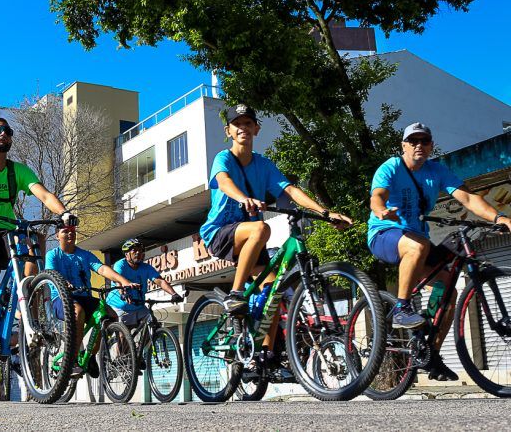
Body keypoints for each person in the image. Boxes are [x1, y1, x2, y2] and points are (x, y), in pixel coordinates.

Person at [199, 104, 352, 356]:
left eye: (248, 123)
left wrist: (325, 212)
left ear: (256, 129)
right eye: (237, 124)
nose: (243, 128)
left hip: (251, 238)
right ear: (228, 131)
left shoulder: (264, 165)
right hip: (220, 232)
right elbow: (224, 181)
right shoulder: (223, 158)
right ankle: (235, 294)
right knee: (261, 228)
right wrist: (242, 198)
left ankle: (264, 356)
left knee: (273, 294)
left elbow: (290, 190)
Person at [368, 122, 511, 381]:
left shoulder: (437, 171)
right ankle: (401, 307)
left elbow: (468, 199)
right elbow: (378, 195)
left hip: (416, 239)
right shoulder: (391, 167)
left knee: (449, 287)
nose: (419, 145)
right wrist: (380, 209)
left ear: (432, 145)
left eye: (424, 140)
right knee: (418, 245)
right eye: (413, 141)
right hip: (384, 234)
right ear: (404, 146)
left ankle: (430, 354)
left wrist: (500, 218)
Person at [0, 117, 77, 373]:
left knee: (37, 240)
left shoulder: (17, 171)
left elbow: (43, 194)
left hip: (4, 232)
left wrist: (64, 213)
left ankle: (23, 316)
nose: (3, 134)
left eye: (7, 131)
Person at [46, 224, 139, 377]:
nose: (70, 234)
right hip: (62, 298)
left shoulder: (84, 255)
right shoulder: (53, 255)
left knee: (110, 315)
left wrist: (124, 281)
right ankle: (73, 359)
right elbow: (51, 272)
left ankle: (90, 357)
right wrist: (63, 282)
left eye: (72, 231)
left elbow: (102, 269)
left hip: (85, 297)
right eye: (65, 232)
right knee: (78, 312)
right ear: (57, 236)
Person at [106, 239, 183, 326]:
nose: (138, 253)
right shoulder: (120, 265)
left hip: (139, 306)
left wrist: (174, 294)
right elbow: (118, 281)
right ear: (127, 254)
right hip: (120, 307)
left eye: (140, 250)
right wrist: (124, 293)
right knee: (123, 336)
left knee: (152, 325)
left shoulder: (146, 267)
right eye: (134, 251)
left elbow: (160, 281)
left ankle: (152, 338)